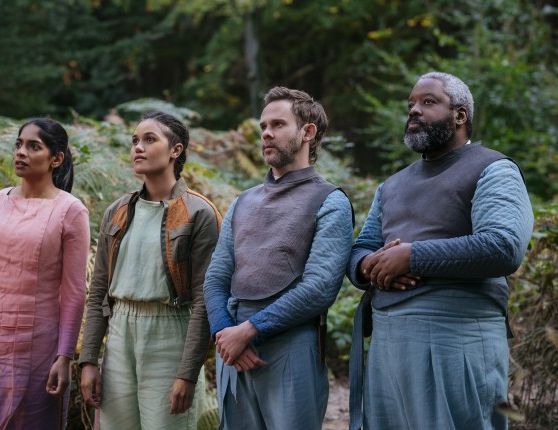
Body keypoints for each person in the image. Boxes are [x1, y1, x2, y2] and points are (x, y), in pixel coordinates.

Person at [346, 72, 534, 430]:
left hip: (457, 337)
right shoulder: (392, 185)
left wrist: (411, 256)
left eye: (428, 102)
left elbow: (504, 245)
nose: (414, 110)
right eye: (411, 105)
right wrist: (371, 264)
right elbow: (362, 249)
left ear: (460, 115)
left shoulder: (493, 169)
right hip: (387, 341)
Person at [203, 86, 355, 429]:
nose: (266, 133)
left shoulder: (330, 201)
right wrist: (224, 332)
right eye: (263, 126)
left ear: (308, 132)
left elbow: (319, 288)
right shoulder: (243, 201)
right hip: (233, 348)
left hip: (291, 346)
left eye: (278, 124)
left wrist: (250, 331)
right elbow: (216, 276)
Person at [0, 118, 90, 429]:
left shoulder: (70, 210)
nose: (21, 152)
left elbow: (74, 293)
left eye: (34, 146)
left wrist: (64, 357)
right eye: (19, 144)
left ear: (56, 158)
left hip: (34, 347)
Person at [78, 111, 221, 429]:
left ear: (175, 150)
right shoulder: (117, 211)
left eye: (149, 139)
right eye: (135, 141)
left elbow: (204, 300)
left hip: (170, 337)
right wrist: (88, 359)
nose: (138, 147)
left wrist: (188, 373)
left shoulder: (199, 213)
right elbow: (99, 290)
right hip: (119, 336)